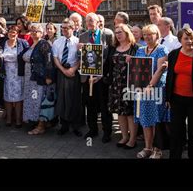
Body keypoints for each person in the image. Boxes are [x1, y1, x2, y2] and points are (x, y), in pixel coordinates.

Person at [165, 28, 193, 159]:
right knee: (176, 131)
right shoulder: (173, 54)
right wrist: (168, 98)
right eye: (186, 38)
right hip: (177, 100)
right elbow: (170, 77)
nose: (190, 41)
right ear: (180, 40)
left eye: (192, 38)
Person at [132, 24, 169, 159]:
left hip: (157, 89)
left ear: (157, 35)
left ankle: (157, 149)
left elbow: (160, 70)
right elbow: (137, 69)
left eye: (151, 34)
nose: (147, 37)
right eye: (145, 34)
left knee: (157, 119)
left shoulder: (162, 49)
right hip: (142, 90)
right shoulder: (140, 50)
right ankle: (147, 147)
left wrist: (150, 85)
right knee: (145, 119)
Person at [78, 12, 113, 143]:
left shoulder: (108, 36)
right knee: (90, 105)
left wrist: (102, 74)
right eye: (87, 21)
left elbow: (110, 57)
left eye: (92, 21)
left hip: (102, 78)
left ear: (98, 22)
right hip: (88, 77)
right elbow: (79, 57)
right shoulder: (82, 36)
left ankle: (107, 131)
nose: (90, 23)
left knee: (104, 106)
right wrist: (79, 50)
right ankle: (92, 129)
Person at [104, 23, 139, 149]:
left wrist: (134, 60)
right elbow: (107, 65)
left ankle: (132, 139)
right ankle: (124, 137)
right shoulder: (113, 48)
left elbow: (142, 66)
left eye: (120, 32)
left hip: (130, 85)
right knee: (120, 112)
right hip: (115, 84)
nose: (118, 35)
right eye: (116, 32)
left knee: (130, 113)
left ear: (127, 33)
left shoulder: (135, 48)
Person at [22, 23, 55, 135]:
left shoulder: (44, 44)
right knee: (33, 100)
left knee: (39, 100)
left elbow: (49, 61)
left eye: (37, 31)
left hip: (40, 78)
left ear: (42, 33)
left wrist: (49, 77)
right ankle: (36, 122)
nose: (34, 32)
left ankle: (41, 125)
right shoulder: (32, 44)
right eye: (32, 30)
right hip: (30, 79)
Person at [53, 19, 84, 136]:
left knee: (75, 99)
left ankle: (76, 126)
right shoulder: (57, 42)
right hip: (61, 72)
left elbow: (82, 58)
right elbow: (55, 58)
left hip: (74, 72)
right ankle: (64, 125)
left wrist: (73, 69)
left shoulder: (78, 42)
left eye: (66, 28)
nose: (64, 30)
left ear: (73, 28)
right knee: (62, 99)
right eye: (62, 28)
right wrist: (63, 70)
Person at [2, 25, 29, 128]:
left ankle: (18, 120)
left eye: (14, 32)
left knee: (18, 98)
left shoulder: (23, 43)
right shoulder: (3, 43)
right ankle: (9, 119)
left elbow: (28, 55)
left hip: (19, 74)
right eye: (10, 32)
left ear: (17, 34)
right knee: (7, 97)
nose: (12, 34)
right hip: (7, 74)